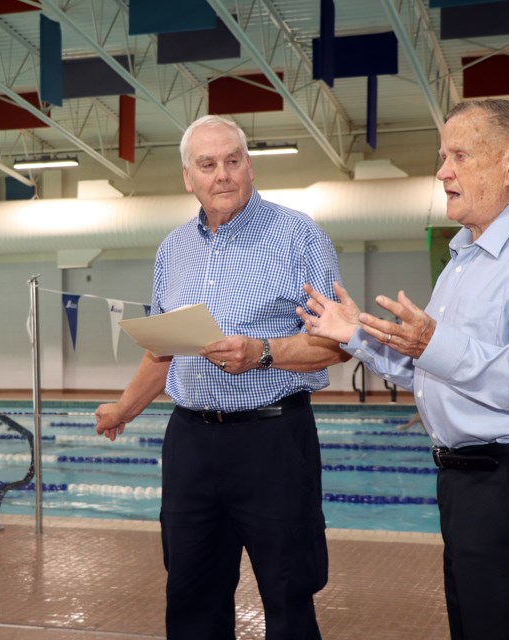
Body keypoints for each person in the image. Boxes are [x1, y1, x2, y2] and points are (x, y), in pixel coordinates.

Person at [297, 99, 509, 640]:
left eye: (459, 156)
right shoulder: (469, 256)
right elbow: (438, 368)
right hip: (478, 489)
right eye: (443, 156)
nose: (442, 171)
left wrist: (439, 346)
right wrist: (357, 336)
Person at [95, 115, 348, 639]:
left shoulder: (298, 236)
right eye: (207, 165)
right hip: (190, 444)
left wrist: (263, 353)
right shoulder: (174, 248)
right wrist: (123, 409)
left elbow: (337, 343)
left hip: (273, 440)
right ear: (188, 176)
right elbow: (161, 351)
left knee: (288, 593)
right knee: (190, 595)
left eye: (233, 161)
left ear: (249, 165)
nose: (223, 175)